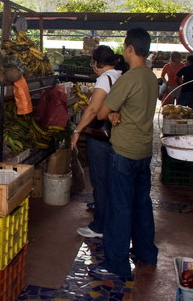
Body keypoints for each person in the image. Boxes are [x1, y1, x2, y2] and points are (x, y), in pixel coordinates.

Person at [91, 27, 159, 279]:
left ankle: (116, 265)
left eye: (124, 46)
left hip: (124, 153)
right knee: (142, 204)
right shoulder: (151, 78)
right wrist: (117, 113)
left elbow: (99, 113)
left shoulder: (129, 79)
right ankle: (147, 253)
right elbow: (135, 109)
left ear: (130, 48)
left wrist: (110, 113)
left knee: (118, 208)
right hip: (144, 151)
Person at [71, 45, 126, 239]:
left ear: (96, 63)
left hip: (101, 137)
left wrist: (77, 130)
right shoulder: (120, 75)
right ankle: (106, 215)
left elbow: (94, 110)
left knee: (100, 182)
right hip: (115, 136)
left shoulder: (105, 78)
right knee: (109, 181)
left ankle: (99, 226)